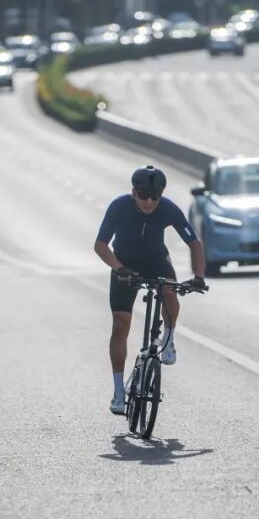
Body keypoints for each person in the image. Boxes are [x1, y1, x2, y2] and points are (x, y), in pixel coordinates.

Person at [94, 165, 207, 415]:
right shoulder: (119, 206)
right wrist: (118, 267)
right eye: (143, 195)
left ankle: (169, 338)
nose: (148, 202)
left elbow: (195, 243)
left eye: (155, 196)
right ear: (133, 191)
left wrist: (198, 277)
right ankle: (118, 392)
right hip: (124, 264)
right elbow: (101, 244)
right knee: (120, 325)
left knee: (169, 289)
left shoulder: (167, 208)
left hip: (156, 259)